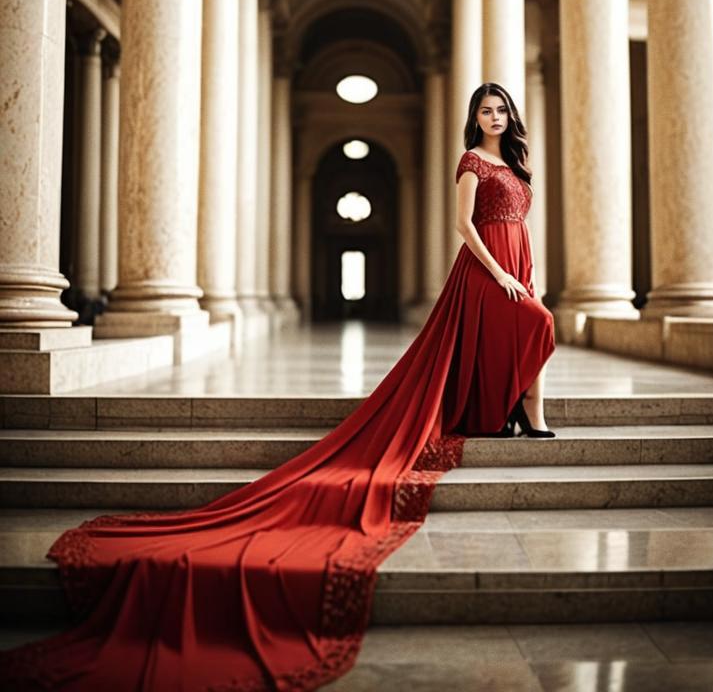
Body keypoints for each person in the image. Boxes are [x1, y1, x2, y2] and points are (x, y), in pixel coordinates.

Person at [1, 81, 555, 692]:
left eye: (501, 108)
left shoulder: (518, 164)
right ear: (474, 117)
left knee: (532, 329)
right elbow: (463, 226)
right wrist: (500, 271)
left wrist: (526, 269)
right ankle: (526, 411)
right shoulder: (472, 163)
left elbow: (520, 223)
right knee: (538, 328)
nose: (494, 115)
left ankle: (523, 410)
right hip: (485, 270)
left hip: (516, 263)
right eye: (485, 108)